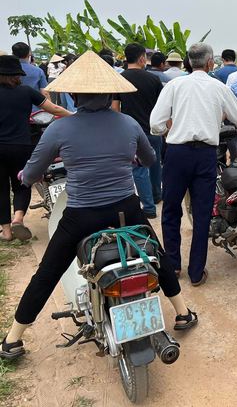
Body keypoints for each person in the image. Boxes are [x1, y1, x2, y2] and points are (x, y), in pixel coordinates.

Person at [0, 51, 198, 361]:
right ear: (110, 93)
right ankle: (182, 312)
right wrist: (130, 157)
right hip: (126, 210)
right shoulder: (128, 124)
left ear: (74, 95)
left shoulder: (59, 129)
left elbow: (34, 172)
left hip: (81, 216)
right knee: (155, 254)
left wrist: (25, 176)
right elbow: (148, 160)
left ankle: (13, 339)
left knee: (48, 272)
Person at [150, 43, 237, 286]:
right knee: (203, 211)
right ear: (209, 63)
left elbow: (156, 123)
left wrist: (167, 132)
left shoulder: (174, 85)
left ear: (188, 61)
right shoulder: (218, 87)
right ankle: (196, 272)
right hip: (206, 155)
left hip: (176, 154)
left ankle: (173, 266)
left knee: (171, 209)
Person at [0, 55, 71, 242]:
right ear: (17, 75)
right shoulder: (26, 92)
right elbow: (55, 109)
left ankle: (6, 232)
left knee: (1, 188)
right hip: (21, 145)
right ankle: (18, 219)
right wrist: (75, 116)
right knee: (22, 184)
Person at [112, 43, 163, 216]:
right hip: (153, 130)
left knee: (139, 168)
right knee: (155, 164)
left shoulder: (119, 79)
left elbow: (115, 107)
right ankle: (157, 195)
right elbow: (161, 107)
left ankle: (148, 206)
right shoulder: (153, 79)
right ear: (142, 58)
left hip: (130, 131)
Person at [12, 42, 49, 110]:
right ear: (29, 53)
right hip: (34, 110)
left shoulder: (7, 71)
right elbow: (45, 92)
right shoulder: (38, 71)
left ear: (13, 54)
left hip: (12, 109)